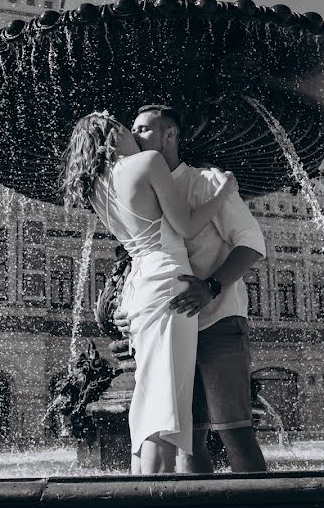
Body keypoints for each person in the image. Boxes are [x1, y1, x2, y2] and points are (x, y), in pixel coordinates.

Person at [60, 111, 237, 474]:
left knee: (146, 403)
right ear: (113, 137)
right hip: (167, 282)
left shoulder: (95, 186)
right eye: (128, 130)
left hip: (138, 288)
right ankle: (159, 504)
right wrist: (223, 193)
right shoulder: (148, 162)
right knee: (165, 408)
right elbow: (185, 226)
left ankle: (138, 496)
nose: (135, 138)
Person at [116, 104, 268, 473]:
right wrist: (129, 305)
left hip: (218, 323)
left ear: (170, 135)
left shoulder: (206, 182)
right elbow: (144, 257)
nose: (135, 136)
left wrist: (210, 287)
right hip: (170, 328)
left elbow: (252, 243)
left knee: (235, 431)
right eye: (133, 129)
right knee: (186, 438)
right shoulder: (141, 187)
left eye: (143, 129)